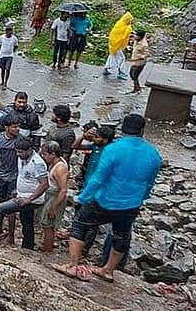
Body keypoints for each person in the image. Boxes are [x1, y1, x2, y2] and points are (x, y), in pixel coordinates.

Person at [55, 114, 161, 283]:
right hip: (131, 204)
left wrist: (82, 197)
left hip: (105, 200)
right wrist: (142, 197)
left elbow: (99, 178)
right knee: (121, 235)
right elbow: (149, 183)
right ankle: (108, 270)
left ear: (123, 129)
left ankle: (72, 265)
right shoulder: (153, 154)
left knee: (80, 224)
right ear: (142, 130)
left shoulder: (113, 149)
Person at [0, 137, 48, 248]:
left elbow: (44, 184)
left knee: (0, 209)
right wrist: (17, 190)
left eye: (20, 152)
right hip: (22, 195)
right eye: (17, 151)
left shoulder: (38, 163)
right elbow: (24, 177)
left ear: (29, 150)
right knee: (27, 221)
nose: (18, 154)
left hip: (31, 199)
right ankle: (28, 246)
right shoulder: (22, 158)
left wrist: (29, 199)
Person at [72, 124, 115, 252]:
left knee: (91, 221)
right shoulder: (95, 147)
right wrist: (83, 136)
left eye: (97, 137)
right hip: (87, 185)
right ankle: (77, 240)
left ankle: (85, 248)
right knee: (79, 213)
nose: (94, 139)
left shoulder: (109, 152)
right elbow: (75, 146)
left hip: (98, 189)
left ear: (105, 140)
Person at [38, 140, 69, 252]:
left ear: (53, 154)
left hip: (56, 196)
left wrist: (54, 207)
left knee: (48, 225)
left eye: (45, 154)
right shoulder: (55, 163)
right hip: (51, 194)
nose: (43, 156)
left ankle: (48, 250)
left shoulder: (60, 168)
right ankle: (46, 245)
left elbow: (63, 190)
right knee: (46, 223)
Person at [104, 12, 133, 79]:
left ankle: (106, 68)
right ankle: (121, 72)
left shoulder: (119, 23)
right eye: (130, 20)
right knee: (122, 58)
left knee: (111, 55)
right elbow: (124, 37)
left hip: (113, 44)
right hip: (118, 45)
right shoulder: (127, 27)